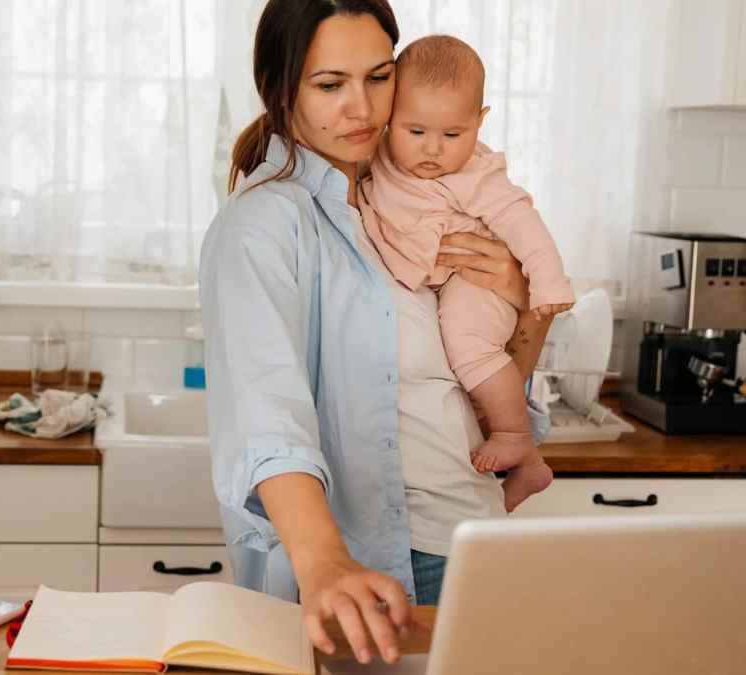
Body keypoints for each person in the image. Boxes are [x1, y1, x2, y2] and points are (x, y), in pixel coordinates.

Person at [199, 0, 557, 666]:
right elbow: (267, 415)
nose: (361, 108)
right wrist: (326, 563)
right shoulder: (264, 227)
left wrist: (524, 303)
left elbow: (479, 381)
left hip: (469, 537)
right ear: (282, 90)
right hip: (361, 567)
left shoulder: (416, 197)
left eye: (379, 76)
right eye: (330, 84)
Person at [358, 34, 572, 496]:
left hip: (474, 280)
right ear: (389, 119)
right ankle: (529, 462)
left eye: (452, 135)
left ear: (479, 123)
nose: (432, 149)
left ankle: (516, 437)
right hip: (443, 282)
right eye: (415, 132)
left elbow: (522, 222)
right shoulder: (379, 160)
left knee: (468, 343)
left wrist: (546, 281)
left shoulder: (473, 172)